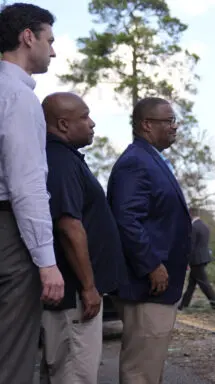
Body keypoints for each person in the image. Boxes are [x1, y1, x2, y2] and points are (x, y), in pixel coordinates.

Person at [39, 93, 127, 384]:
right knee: (75, 374)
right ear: (63, 124)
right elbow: (68, 226)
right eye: (85, 117)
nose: (92, 124)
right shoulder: (60, 162)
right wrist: (89, 287)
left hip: (77, 293)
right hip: (75, 295)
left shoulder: (65, 158)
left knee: (67, 370)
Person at [0, 4, 64, 383]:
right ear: (28, 37)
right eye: (49, 40)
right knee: (12, 355)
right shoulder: (18, 96)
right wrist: (46, 261)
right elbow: (26, 185)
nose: (53, 51)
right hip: (10, 235)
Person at [108, 97, 192, 384]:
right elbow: (126, 219)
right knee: (140, 370)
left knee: (150, 365)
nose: (174, 126)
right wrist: (151, 264)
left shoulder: (150, 159)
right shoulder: (135, 162)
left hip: (157, 285)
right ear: (146, 124)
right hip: (146, 285)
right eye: (168, 120)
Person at [179, 206, 215, 310]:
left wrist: (186, 261)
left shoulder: (193, 227)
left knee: (204, 283)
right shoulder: (205, 226)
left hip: (196, 260)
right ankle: (183, 305)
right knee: (191, 284)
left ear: (190, 214)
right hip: (203, 258)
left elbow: (191, 246)